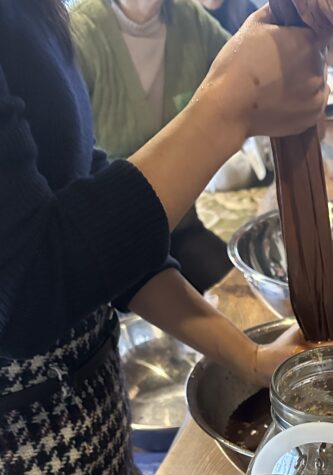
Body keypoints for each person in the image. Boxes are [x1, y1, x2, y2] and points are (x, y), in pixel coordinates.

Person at [0, 0, 333, 475]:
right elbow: (21, 281)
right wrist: (226, 108)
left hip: (91, 440)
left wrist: (249, 357)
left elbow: (83, 209)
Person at [71, 0, 234, 291]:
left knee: (242, 296)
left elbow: (250, 73)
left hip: (180, 228)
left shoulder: (191, 20)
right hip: (110, 241)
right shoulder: (80, 34)